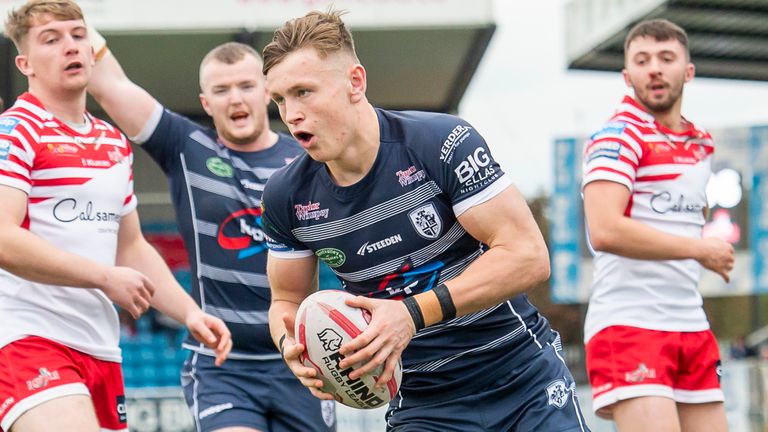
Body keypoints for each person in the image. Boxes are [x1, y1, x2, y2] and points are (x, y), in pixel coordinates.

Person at [260, 10, 590, 432]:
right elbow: (286, 300)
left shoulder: (441, 142)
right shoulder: (285, 196)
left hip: (522, 379)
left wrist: (410, 315)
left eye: (304, 92)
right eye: (280, 100)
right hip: (423, 405)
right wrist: (291, 344)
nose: (291, 114)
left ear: (355, 82)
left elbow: (527, 257)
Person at [86, 27, 336, 432]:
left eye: (245, 86)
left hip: (301, 358)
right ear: (206, 101)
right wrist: (70, 21)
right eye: (221, 90)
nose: (235, 97)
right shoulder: (186, 146)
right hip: (222, 364)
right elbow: (110, 84)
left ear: (267, 91)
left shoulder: (308, 159)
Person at [0, 1, 232, 432]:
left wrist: (190, 314)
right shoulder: (15, 130)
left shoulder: (111, 141)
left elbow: (131, 247)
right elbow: (3, 238)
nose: (70, 46)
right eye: (51, 40)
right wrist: (103, 277)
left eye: (77, 34)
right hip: (27, 338)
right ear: (24, 63)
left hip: (100, 348)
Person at [581, 19, 734, 432]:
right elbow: (605, 229)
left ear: (688, 71)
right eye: (642, 60)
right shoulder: (618, 136)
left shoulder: (701, 143)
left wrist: (703, 248)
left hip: (690, 322)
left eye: (666, 58)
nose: (654, 69)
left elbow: (681, 223)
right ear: (627, 75)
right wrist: (700, 249)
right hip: (629, 324)